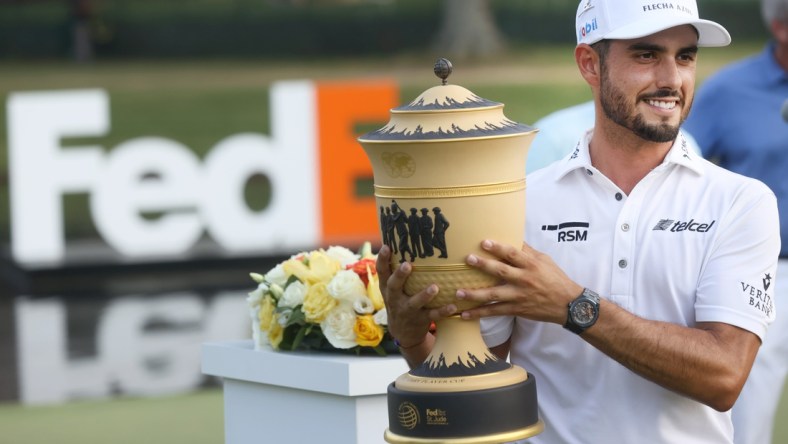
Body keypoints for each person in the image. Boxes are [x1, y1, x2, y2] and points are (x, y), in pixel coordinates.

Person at [376, 1, 781, 443]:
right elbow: (477, 381)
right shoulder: (519, 203)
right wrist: (413, 340)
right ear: (590, 63)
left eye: (685, 56)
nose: (671, 79)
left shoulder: (741, 201)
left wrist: (574, 306)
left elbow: (724, 377)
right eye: (646, 55)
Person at [682, 1, 788, 443]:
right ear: (781, 28)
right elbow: (681, 170)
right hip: (767, 273)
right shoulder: (728, 90)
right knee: (749, 414)